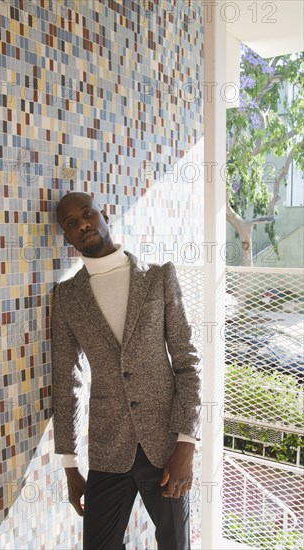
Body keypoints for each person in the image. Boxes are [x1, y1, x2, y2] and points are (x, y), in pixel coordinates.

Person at [51, 192, 201, 550]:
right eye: (71, 223)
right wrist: (70, 464)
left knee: (175, 545)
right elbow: (66, 379)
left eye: (87, 214)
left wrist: (187, 443)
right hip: (108, 449)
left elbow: (187, 362)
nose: (82, 224)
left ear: (103, 216)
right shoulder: (68, 297)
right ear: (67, 236)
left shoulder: (159, 278)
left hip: (166, 446)